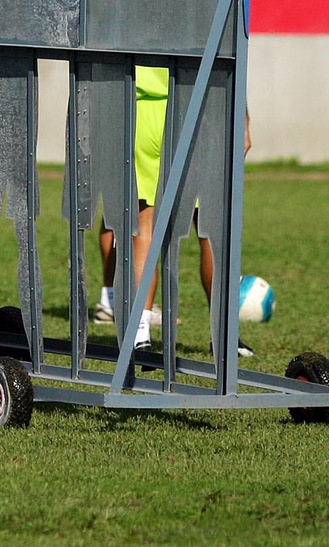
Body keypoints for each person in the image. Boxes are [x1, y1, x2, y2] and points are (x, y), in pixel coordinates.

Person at [93, 66, 254, 359]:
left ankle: (138, 334)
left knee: (144, 226)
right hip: (198, 112)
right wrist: (242, 117)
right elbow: (227, 54)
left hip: (143, 113)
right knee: (212, 228)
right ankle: (225, 335)